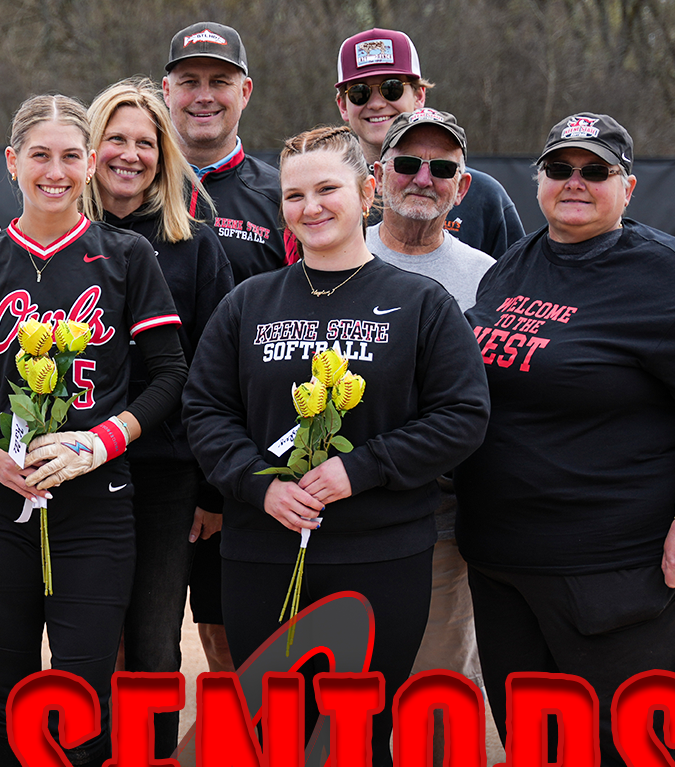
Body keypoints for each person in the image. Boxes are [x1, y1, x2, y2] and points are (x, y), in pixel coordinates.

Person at [457, 113, 675, 767]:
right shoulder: (517, 264)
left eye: (595, 171)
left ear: (629, 186)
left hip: (618, 564)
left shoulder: (673, 280)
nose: (575, 184)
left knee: (639, 750)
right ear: (540, 183)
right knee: (545, 755)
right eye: (560, 170)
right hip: (506, 562)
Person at [183, 124, 488, 767]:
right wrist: (259, 484)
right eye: (295, 195)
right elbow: (206, 411)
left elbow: (463, 416)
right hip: (264, 551)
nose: (310, 207)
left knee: (361, 732)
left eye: (327, 189)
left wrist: (364, 470)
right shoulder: (249, 302)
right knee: (275, 730)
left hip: (382, 551)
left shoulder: (420, 304)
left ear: (366, 190)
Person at [0, 94, 187, 767]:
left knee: (84, 683)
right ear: (12, 163)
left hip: (96, 503)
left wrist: (100, 442)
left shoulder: (126, 257)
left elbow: (168, 374)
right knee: (8, 688)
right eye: (39, 155)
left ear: (89, 166)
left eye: (70, 156)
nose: (56, 171)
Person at [84, 78, 237, 753]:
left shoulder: (195, 244)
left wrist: (211, 488)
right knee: (84, 641)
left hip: (166, 475)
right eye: (115, 139)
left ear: (163, 155)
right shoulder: (58, 239)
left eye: (144, 142)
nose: (129, 154)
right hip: (74, 473)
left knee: (151, 644)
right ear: (91, 150)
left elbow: (217, 371)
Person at [364, 108, 497, 694]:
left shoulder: (490, 277)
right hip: (336, 516)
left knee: (436, 689)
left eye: (441, 167)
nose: (423, 177)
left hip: (439, 519)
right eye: (408, 163)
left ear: (462, 186)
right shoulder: (337, 251)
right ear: (377, 175)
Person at [332, 28, 526, 258]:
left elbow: (516, 285)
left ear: (419, 96)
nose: (376, 104)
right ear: (343, 105)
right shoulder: (328, 195)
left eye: (391, 89)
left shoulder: (483, 196)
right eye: (359, 92)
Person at [161, 22, 289, 282]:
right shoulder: (135, 186)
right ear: (166, 91)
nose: (205, 96)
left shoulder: (283, 198)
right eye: (190, 82)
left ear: (244, 93)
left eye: (219, 82)